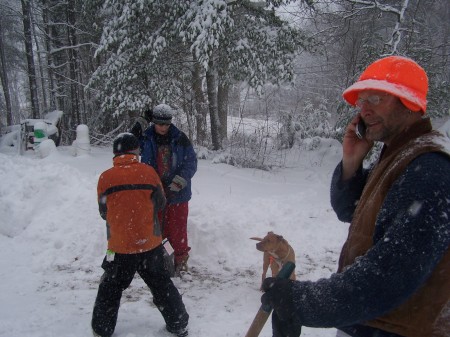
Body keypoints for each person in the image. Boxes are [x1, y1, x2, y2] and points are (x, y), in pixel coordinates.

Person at [260, 56, 450, 337]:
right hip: (371, 321)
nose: (363, 110)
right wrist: (351, 162)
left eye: (375, 98)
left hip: (399, 329)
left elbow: (390, 275)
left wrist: (301, 301)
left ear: (410, 102)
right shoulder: (399, 153)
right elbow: (351, 210)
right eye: (361, 100)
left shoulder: (430, 168)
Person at [91, 133, 189, 337]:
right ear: (136, 152)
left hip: (118, 247)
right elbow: (160, 203)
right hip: (149, 244)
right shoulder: (149, 172)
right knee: (161, 284)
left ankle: (102, 329)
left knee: (110, 287)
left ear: (115, 153)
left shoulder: (105, 177)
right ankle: (178, 323)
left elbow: (103, 212)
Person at [141, 104, 197, 276]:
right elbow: (126, 143)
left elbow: (191, 164)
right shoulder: (146, 137)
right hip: (155, 193)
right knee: (160, 230)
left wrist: (176, 185)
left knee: (178, 230)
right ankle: (164, 259)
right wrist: (141, 121)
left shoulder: (180, 138)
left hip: (178, 195)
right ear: (154, 122)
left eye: (166, 124)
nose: (163, 127)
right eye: (159, 123)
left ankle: (180, 261)